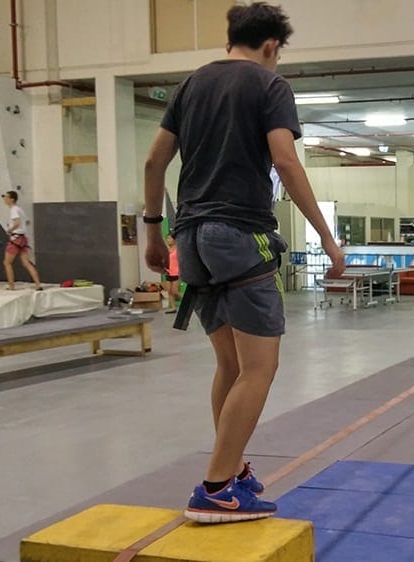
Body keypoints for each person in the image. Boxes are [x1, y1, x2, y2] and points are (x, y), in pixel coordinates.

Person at [142, 2, 345, 524]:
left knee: (230, 365)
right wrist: (327, 236)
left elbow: (154, 161)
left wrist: (151, 229)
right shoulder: (268, 85)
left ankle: (229, 473)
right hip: (238, 235)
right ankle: (214, 488)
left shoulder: (190, 85)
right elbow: (284, 159)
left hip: (189, 238)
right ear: (273, 46)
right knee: (261, 367)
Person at [2, 190, 42, 291]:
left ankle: (11, 286)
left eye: (6, 197)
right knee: (26, 263)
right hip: (23, 239)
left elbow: (17, 222)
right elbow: (27, 222)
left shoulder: (14, 210)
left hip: (15, 239)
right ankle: (38, 284)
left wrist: (9, 230)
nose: (4, 199)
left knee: (7, 263)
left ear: (12, 199)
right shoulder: (20, 209)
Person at [163, 232, 181, 314]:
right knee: (169, 291)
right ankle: (173, 308)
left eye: (170, 238)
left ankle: (190, 303)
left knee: (175, 291)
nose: (168, 240)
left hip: (176, 272)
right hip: (168, 272)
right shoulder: (166, 249)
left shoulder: (178, 249)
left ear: (174, 240)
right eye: (167, 238)